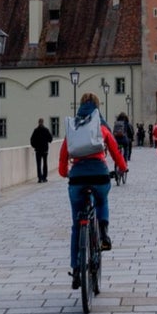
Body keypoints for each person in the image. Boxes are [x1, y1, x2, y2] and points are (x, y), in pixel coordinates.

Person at [58, 92, 127, 289]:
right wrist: (122, 166)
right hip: (99, 174)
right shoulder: (100, 126)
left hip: (77, 178)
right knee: (102, 199)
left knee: (75, 226)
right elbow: (114, 149)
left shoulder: (73, 128)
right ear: (98, 108)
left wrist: (65, 173)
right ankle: (103, 232)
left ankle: (76, 269)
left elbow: (63, 157)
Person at [30, 117, 53, 182]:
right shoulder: (46, 130)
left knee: (38, 164)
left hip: (38, 150)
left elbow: (32, 140)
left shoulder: (36, 130)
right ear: (43, 122)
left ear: (38, 122)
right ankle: (44, 177)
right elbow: (50, 139)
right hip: (45, 150)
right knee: (45, 163)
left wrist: (35, 146)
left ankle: (40, 178)